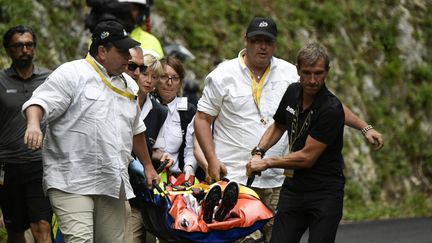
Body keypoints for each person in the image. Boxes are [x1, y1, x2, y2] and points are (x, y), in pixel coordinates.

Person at [194, 16, 384, 243]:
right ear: (246, 40)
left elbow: (330, 108)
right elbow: (204, 119)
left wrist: (364, 127)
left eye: (268, 41)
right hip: (237, 176)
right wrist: (218, 159)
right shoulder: (224, 75)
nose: (262, 46)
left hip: (284, 181)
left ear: (275, 44)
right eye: (256, 40)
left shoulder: (296, 78)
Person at [21, 20, 159, 243]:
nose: (128, 57)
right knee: (80, 240)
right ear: (102, 51)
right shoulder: (72, 73)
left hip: (112, 180)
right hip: (71, 179)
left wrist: (148, 166)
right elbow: (39, 103)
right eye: (122, 51)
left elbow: (136, 129)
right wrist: (34, 125)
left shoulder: (129, 86)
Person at [246, 42, 346, 243]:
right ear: (298, 70)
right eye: (306, 73)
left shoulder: (331, 109)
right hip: (294, 187)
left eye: (318, 73)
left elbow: (307, 157)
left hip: (324, 191)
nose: (312, 80)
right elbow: (278, 125)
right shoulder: (292, 91)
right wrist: (259, 151)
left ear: (327, 72)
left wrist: (267, 162)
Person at [0, 25, 52, 243]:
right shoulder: (1, 81)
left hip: (40, 164)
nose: (24, 49)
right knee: (15, 230)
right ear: (8, 50)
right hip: (8, 166)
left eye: (29, 44)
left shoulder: (49, 79)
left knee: (42, 225)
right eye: (18, 45)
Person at [124, 46, 167, 243]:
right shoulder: (120, 99)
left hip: (142, 188)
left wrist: (160, 156)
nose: (149, 81)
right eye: (145, 74)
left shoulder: (159, 111)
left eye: (155, 77)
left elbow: (155, 147)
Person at [153, 56, 205, 182]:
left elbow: (191, 147)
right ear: (155, 78)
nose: (169, 83)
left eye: (175, 78)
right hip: (148, 176)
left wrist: (189, 168)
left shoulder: (188, 111)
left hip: (178, 178)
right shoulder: (147, 106)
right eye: (164, 77)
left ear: (180, 82)